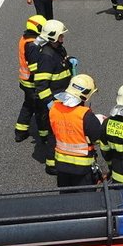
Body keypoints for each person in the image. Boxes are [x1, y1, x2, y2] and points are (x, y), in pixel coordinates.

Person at [49, 74, 104, 188]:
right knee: (85, 200)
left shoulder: (54, 109)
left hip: (61, 164)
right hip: (82, 168)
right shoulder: (86, 116)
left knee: (66, 196)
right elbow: (97, 138)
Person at [33, 19, 72, 174]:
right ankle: (51, 165)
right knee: (54, 135)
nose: (63, 37)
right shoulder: (46, 56)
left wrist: (69, 61)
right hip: (55, 100)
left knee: (61, 133)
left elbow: (63, 62)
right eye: (60, 35)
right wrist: (50, 103)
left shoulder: (58, 49)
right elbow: (41, 85)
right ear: (52, 37)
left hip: (63, 97)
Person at [15, 14, 46, 143]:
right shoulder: (31, 44)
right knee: (40, 108)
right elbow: (35, 66)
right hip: (32, 81)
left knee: (28, 105)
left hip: (25, 79)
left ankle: (20, 131)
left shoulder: (25, 38)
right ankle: (44, 134)